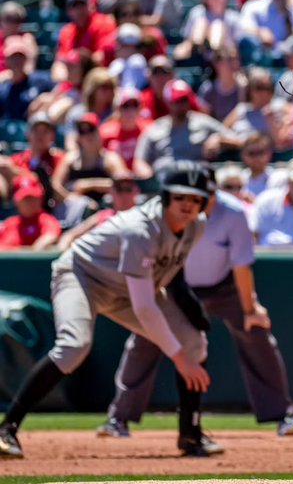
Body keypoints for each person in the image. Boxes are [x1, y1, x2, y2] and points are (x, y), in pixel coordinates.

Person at [0, 163, 224, 459]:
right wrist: (179, 358)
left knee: (194, 342)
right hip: (82, 277)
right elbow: (145, 307)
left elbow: (169, 268)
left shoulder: (197, 225)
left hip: (126, 288)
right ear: (166, 196)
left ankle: (191, 435)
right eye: (180, 197)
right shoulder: (140, 229)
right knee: (73, 346)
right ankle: (7, 429)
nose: (187, 205)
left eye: (195, 199)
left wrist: (185, 309)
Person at [95, 184, 293, 439]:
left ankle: (284, 415)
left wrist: (250, 309)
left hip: (224, 286)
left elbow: (241, 266)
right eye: (191, 196)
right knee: (145, 337)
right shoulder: (170, 212)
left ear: (214, 194)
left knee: (256, 330)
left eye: (204, 196)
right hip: (177, 287)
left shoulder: (232, 211)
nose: (197, 202)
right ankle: (119, 417)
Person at [133, 79, 239, 177]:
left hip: (196, 179)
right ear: (168, 102)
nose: (182, 104)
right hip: (164, 179)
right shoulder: (154, 129)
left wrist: (218, 139)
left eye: (185, 100)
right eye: (177, 101)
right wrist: (151, 178)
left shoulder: (202, 122)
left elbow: (238, 140)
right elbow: (139, 161)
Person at [52, 112, 127, 206]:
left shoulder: (110, 159)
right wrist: (70, 198)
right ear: (79, 137)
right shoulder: (70, 159)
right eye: (82, 132)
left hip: (105, 209)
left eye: (91, 129)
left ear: (99, 131)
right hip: (76, 209)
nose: (88, 135)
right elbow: (55, 185)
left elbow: (124, 184)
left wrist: (89, 185)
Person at [57, 172, 140, 251]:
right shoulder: (102, 216)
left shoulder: (141, 217)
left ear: (136, 190)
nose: (123, 194)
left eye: (128, 189)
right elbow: (69, 235)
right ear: (111, 191)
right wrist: (63, 253)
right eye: (119, 188)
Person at [53, 0, 116, 82]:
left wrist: (75, 65)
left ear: (90, 5)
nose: (79, 10)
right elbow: (59, 63)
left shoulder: (104, 22)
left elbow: (102, 57)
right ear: (68, 11)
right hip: (72, 80)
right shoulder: (65, 31)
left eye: (82, 4)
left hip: (97, 76)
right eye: (74, 6)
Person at [0, 113, 63, 204]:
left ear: (52, 136)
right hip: (18, 205)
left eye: (45, 131)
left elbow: (52, 187)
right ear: (27, 134)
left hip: (48, 206)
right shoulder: (18, 158)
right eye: (36, 130)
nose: (40, 135)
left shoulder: (58, 159)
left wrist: (16, 172)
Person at [174, 0, 242, 60]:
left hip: (223, 57)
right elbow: (186, 41)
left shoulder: (233, 17)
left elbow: (236, 48)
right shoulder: (197, 12)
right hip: (198, 54)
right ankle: (200, 49)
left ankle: (213, 50)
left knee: (217, 26)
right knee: (201, 23)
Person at [223, 68, 291, 146]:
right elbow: (223, 130)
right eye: (259, 87)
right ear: (249, 89)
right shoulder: (241, 109)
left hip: (262, 150)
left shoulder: (280, 105)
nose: (264, 92)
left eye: (266, 87)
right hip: (235, 148)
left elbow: (282, 139)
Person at [0, 174, 61, 250]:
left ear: (40, 197)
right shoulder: (9, 222)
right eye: (25, 199)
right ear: (16, 201)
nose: (30, 202)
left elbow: (50, 236)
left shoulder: (46, 220)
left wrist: (31, 252)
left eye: (33, 197)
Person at [64, 68, 117, 149]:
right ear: (93, 89)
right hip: (83, 154)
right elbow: (70, 143)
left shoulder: (116, 112)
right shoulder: (77, 114)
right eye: (105, 87)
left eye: (111, 87)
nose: (109, 91)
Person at [0, 36, 51, 121]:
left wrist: (43, 99)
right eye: (12, 57)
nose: (16, 61)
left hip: (32, 126)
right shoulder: (3, 88)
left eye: (20, 56)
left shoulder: (39, 80)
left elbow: (62, 88)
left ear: (25, 58)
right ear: (6, 60)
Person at [100, 88, 151, 170]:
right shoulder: (105, 132)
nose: (130, 110)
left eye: (134, 105)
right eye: (125, 106)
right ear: (117, 108)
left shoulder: (149, 130)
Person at [196, 45, 245, 122]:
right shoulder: (208, 89)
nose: (234, 63)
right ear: (217, 64)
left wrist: (242, 89)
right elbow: (204, 118)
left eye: (235, 59)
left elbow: (244, 115)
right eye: (229, 59)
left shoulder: (244, 86)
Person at [240, 131, 276, 200]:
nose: (256, 157)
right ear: (243, 155)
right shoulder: (238, 180)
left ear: (269, 153)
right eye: (251, 153)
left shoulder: (277, 179)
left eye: (260, 152)